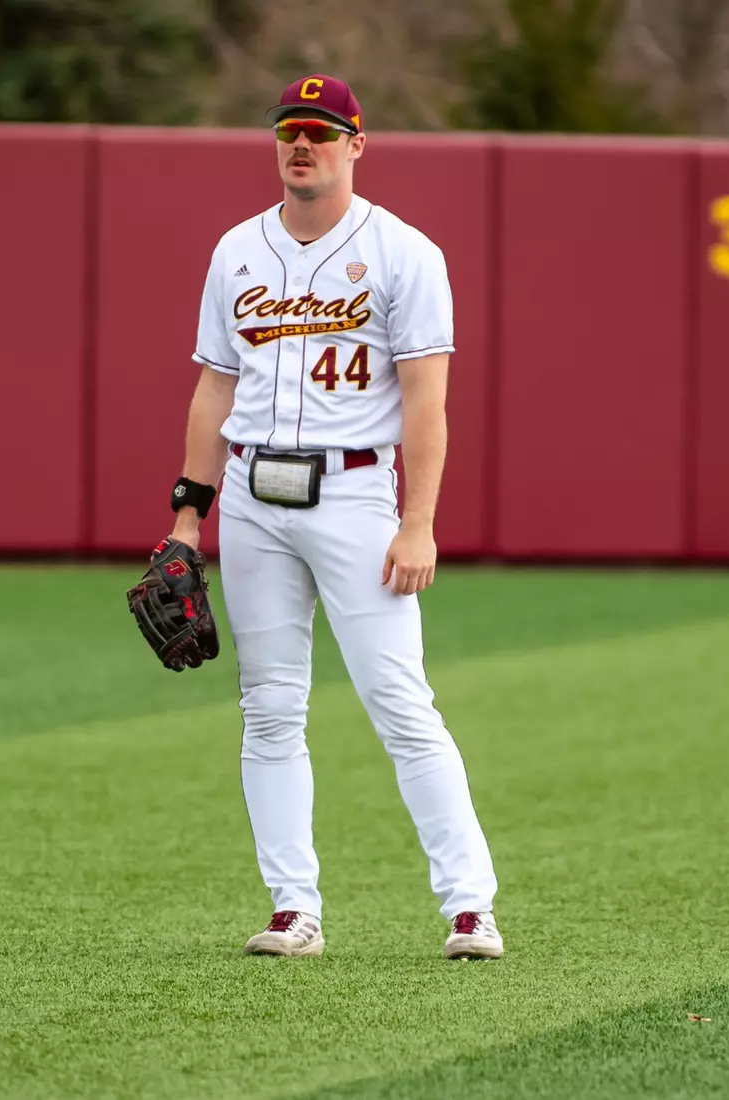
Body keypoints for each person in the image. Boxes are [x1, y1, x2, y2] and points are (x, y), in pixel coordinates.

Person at [160, 74, 503, 961]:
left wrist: (417, 522)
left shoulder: (404, 253)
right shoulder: (236, 251)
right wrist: (186, 520)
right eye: (288, 130)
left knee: (399, 702)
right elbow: (212, 389)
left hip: (355, 495)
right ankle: (293, 909)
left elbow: (428, 407)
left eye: (320, 130)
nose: (300, 144)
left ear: (357, 144)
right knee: (269, 708)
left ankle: (470, 907)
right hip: (250, 497)